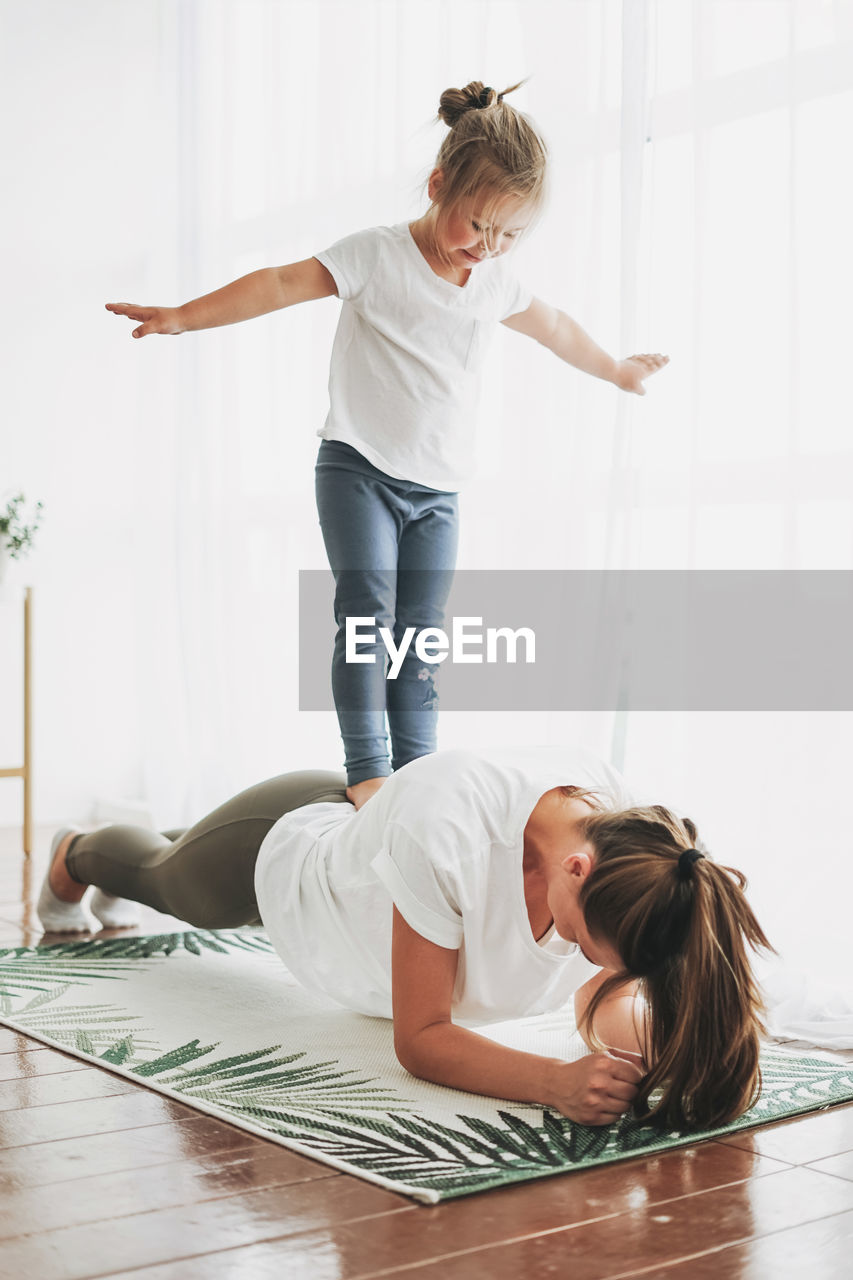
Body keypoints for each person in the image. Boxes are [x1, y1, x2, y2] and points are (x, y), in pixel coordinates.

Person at [105, 81, 669, 810]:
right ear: (438, 186)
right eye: (476, 225)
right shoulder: (376, 256)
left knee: (421, 637)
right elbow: (279, 282)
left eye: (510, 235)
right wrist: (185, 316)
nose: (488, 247)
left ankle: (418, 772)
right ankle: (369, 768)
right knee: (366, 614)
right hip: (358, 469)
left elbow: (556, 327)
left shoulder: (493, 283)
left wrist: (617, 369)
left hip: (436, 492)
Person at [38, 745, 769, 1130]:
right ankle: (77, 852)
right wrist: (554, 1084)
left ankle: (159, 842)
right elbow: (421, 1036)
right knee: (167, 878)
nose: (573, 953)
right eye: (578, 941)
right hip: (295, 854)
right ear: (574, 871)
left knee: (177, 851)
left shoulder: (627, 854)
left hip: (374, 871)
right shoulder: (451, 825)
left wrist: (639, 1054)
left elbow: (604, 989)